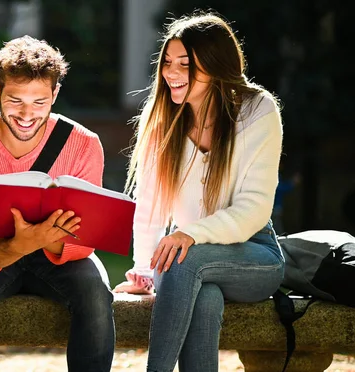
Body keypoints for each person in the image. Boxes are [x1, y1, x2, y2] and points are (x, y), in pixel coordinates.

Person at [113, 11, 285, 372]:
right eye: (167, 62)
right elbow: (149, 207)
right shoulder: (163, 120)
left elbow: (253, 209)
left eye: (185, 64)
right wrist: (143, 271)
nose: (171, 73)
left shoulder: (257, 110)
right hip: (182, 261)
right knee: (203, 295)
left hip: (254, 254)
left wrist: (190, 234)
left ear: (214, 64)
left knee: (185, 258)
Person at [0, 35, 115, 372]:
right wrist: (20, 244)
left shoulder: (83, 145)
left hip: (56, 254)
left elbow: (85, 242)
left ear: (55, 95)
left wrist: (43, 240)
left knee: (96, 292)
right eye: (16, 100)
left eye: (39, 102)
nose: (26, 114)